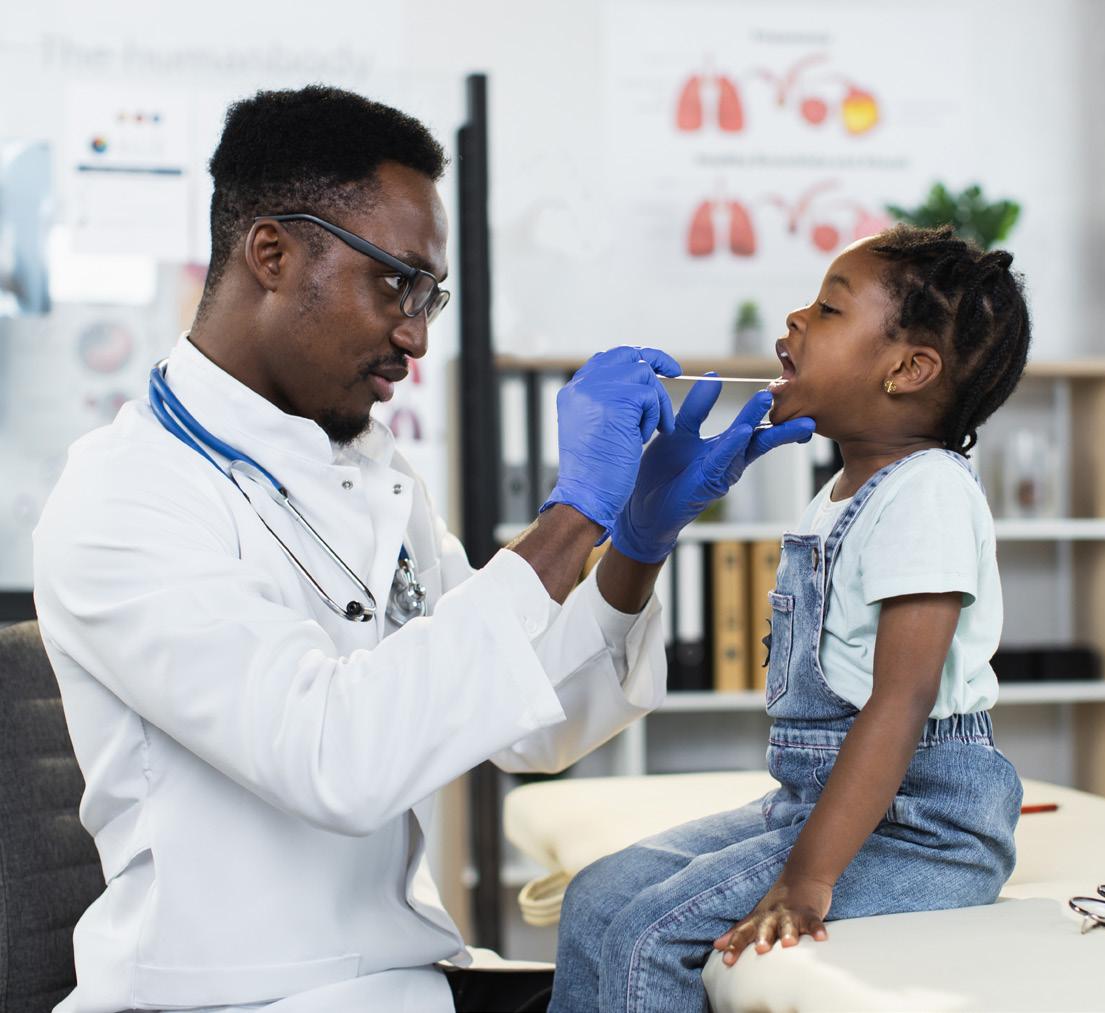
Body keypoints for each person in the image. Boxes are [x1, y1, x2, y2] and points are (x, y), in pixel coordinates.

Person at [31, 85, 814, 1013]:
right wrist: (571, 518)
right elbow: (337, 758)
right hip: (243, 997)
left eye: (430, 296)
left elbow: (532, 725)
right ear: (272, 254)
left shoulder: (367, 470)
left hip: (403, 977)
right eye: (395, 283)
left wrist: (636, 541)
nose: (413, 336)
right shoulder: (127, 495)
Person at [551, 224, 1033, 1013]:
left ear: (907, 369)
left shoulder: (927, 491)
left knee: (648, 932)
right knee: (599, 895)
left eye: (829, 309)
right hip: (823, 805)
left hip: (923, 829)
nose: (796, 318)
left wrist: (806, 880)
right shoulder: (841, 493)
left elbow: (900, 700)